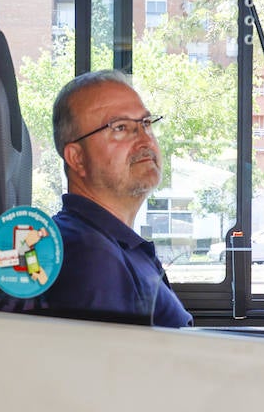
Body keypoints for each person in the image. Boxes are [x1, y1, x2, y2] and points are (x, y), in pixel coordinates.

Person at [41, 70, 193, 327]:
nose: (145, 139)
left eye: (145, 123)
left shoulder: (114, 245)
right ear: (77, 158)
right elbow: (119, 365)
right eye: (121, 128)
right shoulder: (88, 257)